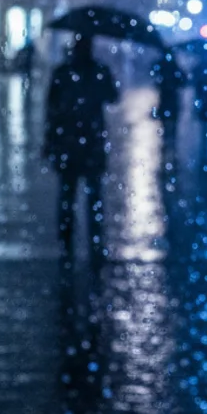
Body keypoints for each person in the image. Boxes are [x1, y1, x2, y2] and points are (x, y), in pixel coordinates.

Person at [44, 34, 120, 267]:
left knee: (72, 194)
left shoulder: (64, 72)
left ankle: (69, 242)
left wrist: (49, 140)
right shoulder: (93, 71)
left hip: (73, 142)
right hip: (86, 142)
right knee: (88, 194)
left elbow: (52, 109)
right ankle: (91, 241)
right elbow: (112, 96)